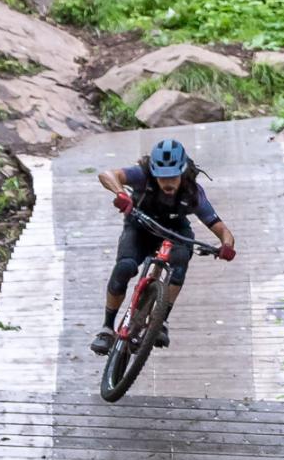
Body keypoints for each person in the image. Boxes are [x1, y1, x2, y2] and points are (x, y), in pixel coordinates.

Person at [94, 137, 236, 354]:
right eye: (162, 177)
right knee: (124, 267)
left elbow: (222, 229)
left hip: (175, 231)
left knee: (179, 264)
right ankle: (106, 328)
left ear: (182, 172)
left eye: (173, 177)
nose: (168, 183)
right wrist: (121, 194)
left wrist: (226, 246)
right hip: (140, 226)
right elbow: (107, 175)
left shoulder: (192, 192)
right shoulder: (142, 175)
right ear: (154, 173)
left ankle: (161, 322)